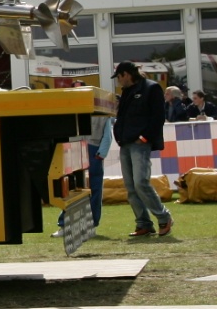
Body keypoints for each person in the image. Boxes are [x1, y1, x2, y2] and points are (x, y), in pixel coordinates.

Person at [114, 62, 173, 237]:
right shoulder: (127, 91)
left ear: (126, 74)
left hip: (140, 143)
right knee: (131, 187)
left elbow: (158, 116)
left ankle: (164, 217)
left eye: (119, 77)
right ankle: (143, 223)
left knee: (140, 182)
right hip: (125, 143)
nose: (118, 81)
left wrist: (145, 137)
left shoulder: (151, 88)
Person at [57, 107, 112, 237]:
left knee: (93, 190)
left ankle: (89, 226)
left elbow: (107, 135)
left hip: (91, 150)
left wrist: (101, 154)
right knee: (70, 189)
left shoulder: (102, 113)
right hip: (74, 149)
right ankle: (66, 225)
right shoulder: (71, 109)